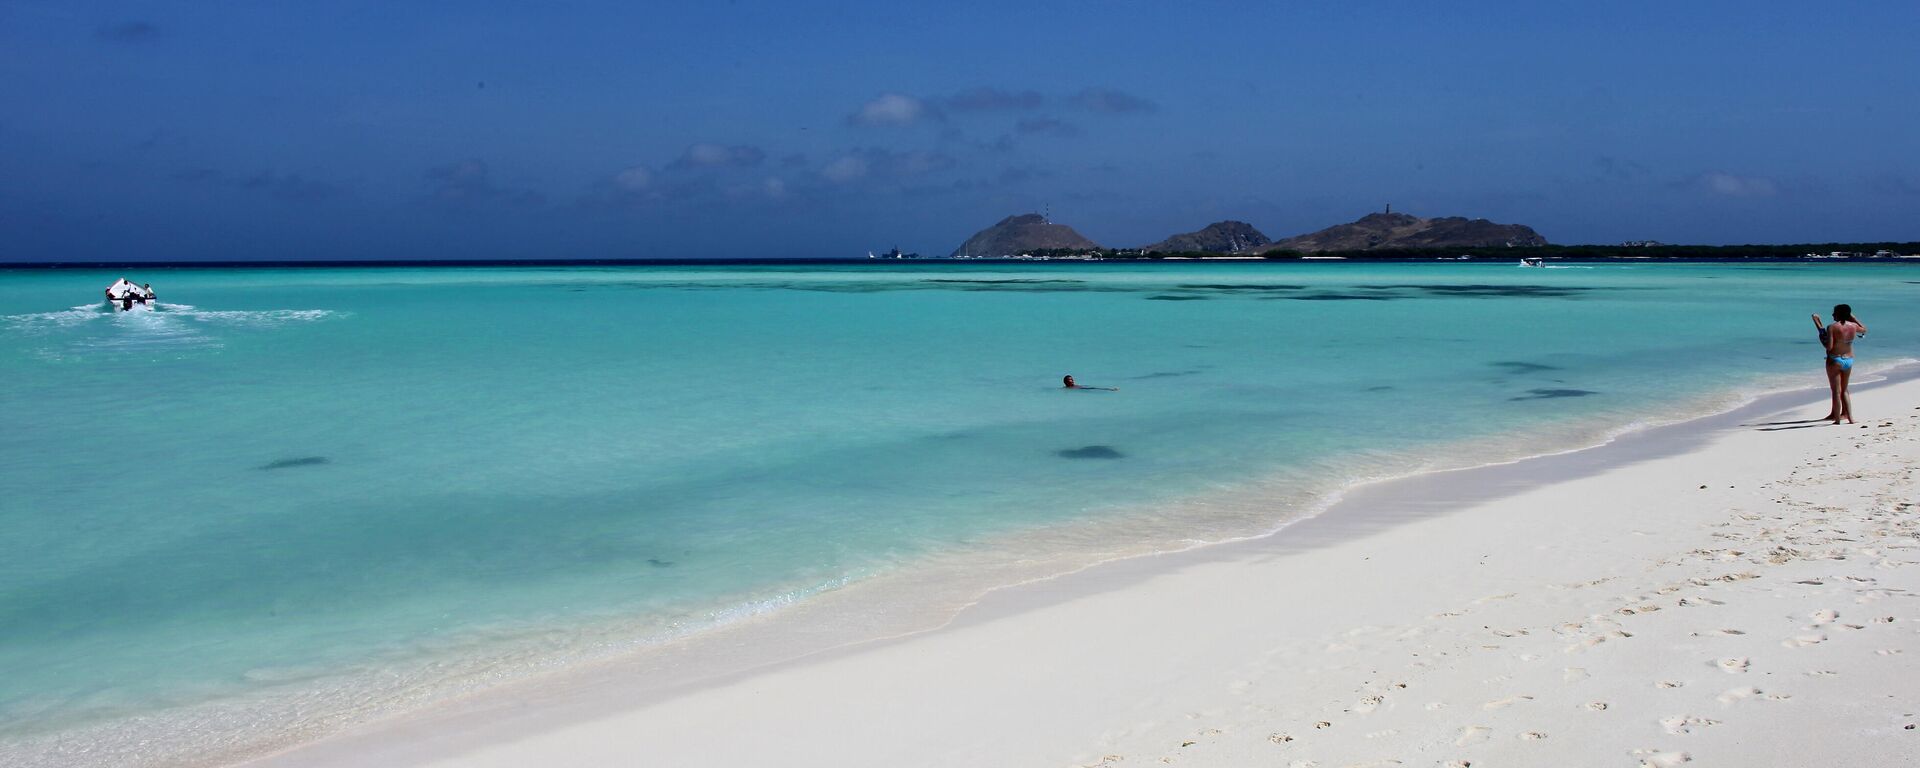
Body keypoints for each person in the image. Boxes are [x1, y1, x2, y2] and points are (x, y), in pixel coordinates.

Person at [1816, 304, 1866, 424]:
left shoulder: (1832, 327)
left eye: (1834, 313)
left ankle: (1837, 420)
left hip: (1835, 360)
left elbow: (1829, 347)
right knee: (1845, 390)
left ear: (1838, 314)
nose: (1833, 314)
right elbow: (1863, 329)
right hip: (1849, 360)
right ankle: (1851, 419)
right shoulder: (1853, 326)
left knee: (1836, 391)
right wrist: (1853, 317)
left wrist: (1821, 335)